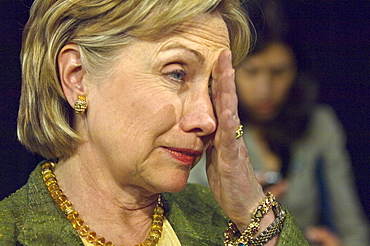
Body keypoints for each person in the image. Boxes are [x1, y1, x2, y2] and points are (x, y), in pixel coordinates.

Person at [0, 0, 309, 245]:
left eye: (213, 87)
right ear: (77, 76)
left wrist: (254, 214)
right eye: (177, 73)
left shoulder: (228, 223)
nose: (207, 119)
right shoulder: (11, 233)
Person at [189, 1, 370, 245]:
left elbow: (353, 228)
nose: (265, 90)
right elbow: (186, 222)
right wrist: (244, 209)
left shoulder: (319, 125)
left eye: (278, 72)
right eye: (252, 72)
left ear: (296, 71)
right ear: (229, 71)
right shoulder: (208, 126)